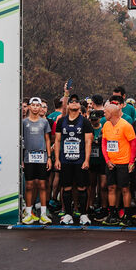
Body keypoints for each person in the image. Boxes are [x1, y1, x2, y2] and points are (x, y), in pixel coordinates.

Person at [54, 94, 93, 225]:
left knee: (82, 188)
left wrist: (87, 160)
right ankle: (68, 214)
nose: (75, 103)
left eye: (77, 101)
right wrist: (57, 159)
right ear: (68, 105)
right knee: (66, 188)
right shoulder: (61, 121)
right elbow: (58, 140)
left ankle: (83, 214)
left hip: (80, 160)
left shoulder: (85, 122)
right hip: (65, 160)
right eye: (72, 101)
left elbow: (88, 142)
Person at [101, 102, 136, 225]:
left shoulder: (125, 125)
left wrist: (131, 162)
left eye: (106, 112)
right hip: (111, 162)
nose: (104, 113)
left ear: (111, 113)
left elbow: (133, 143)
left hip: (124, 162)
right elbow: (104, 143)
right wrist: (107, 160)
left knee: (124, 189)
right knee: (111, 187)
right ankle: (112, 214)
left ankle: (127, 216)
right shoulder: (106, 125)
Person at [21, 97, 53, 225]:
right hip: (28, 158)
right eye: (32, 105)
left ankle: (44, 214)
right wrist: (21, 159)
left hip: (42, 157)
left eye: (37, 105)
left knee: (42, 185)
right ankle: (28, 213)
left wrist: (49, 158)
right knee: (29, 185)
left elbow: (47, 140)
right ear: (28, 107)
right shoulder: (24, 123)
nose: (35, 107)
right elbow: (21, 142)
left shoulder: (44, 123)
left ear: (41, 108)